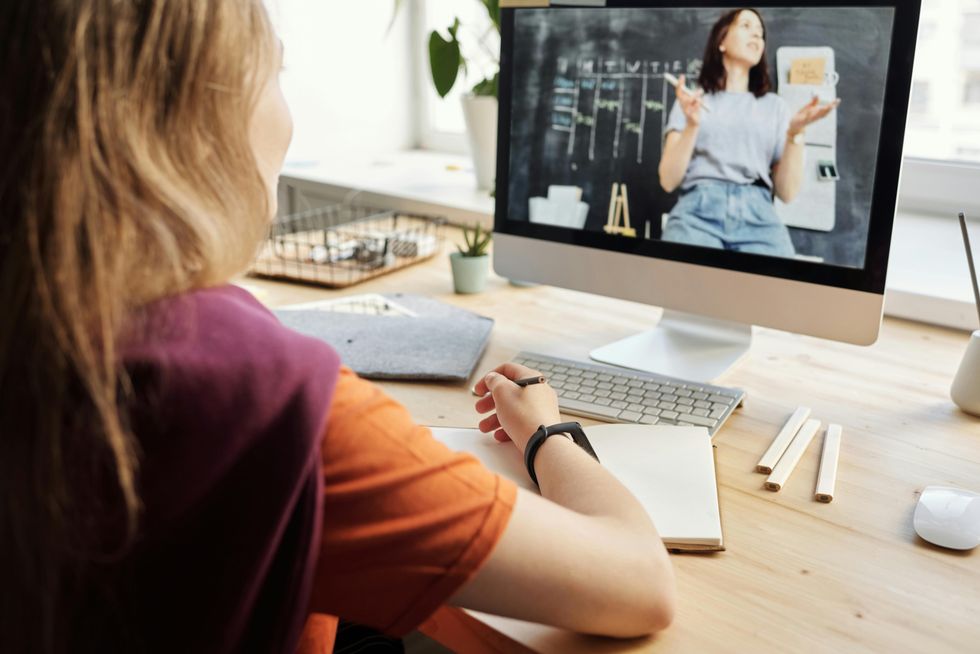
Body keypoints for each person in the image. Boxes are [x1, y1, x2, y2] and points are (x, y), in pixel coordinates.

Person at [0, 2, 676, 653]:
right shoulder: (264, 397)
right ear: (196, 115)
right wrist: (546, 430)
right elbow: (638, 583)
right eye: (276, 75)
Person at [658, 7, 840, 257]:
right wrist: (692, 124)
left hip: (758, 215)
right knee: (678, 287)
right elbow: (668, 180)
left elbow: (786, 193)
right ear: (721, 41)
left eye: (760, 32)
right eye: (746, 26)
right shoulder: (693, 100)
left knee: (782, 289)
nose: (756, 35)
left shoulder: (775, 107)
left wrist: (795, 133)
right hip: (697, 211)